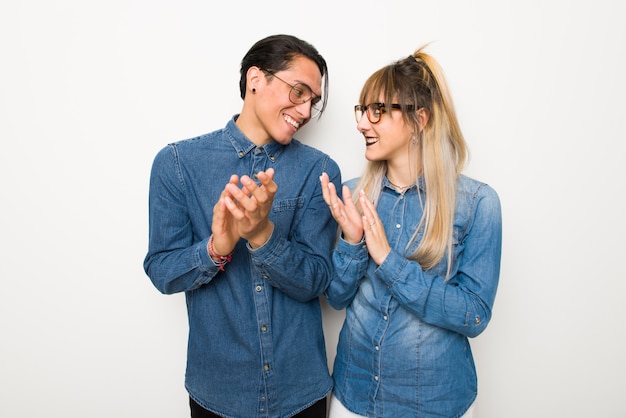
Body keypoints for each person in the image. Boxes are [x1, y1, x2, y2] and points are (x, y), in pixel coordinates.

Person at [144, 34, 342, 418]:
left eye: (313, 101)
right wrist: (216, 249)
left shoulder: (319, 171)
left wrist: (262, 236)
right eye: (299, 92)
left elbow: (317, 280)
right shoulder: (177, 165)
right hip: (217, 395)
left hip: (302, 392)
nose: (304, 111)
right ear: (255, 79)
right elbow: (161, 271)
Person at [320, 46, 502, 418]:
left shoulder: (478, 203)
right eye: (362, 110)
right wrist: (352, 243)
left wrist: (389, 261)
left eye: (377, 112)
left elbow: (474, 315)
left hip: (434, 404)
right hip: (353, 396)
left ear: (420, 119)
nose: (361, 124)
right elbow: (336, 298)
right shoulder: (354, 194)